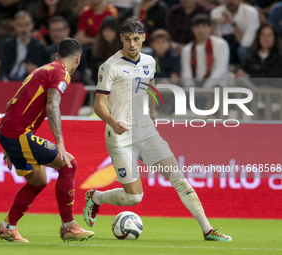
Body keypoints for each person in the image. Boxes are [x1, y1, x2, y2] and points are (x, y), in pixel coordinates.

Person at [83, 16, 232, 242]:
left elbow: (150, 83)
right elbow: (98, 105)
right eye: (127, 39)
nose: (132, 44)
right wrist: (113, 122)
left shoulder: (149, 61)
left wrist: (152, 110)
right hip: (120, 136)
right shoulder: (109, 66)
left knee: (179, 179)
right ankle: (97, 197)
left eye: (136, 39)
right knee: (134, 198)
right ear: (121, 39)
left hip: (146, 132)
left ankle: (208, 230)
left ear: (143, 37)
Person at [0, 38, 94, 243]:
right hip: (18, 133)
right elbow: (52, 104)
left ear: (57, 56)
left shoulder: (41, 70)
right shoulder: (62, 73)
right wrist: (60, 143)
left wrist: (8, 146)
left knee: (38, 180)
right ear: (77, 59)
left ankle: (7, 227)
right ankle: (68, 226)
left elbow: (9, 104)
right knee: (69, 164)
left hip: (9, 132)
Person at [181, 14, 229, 88]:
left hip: (216, 85)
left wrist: (207, 87)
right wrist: (190, 87)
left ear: (210, 28)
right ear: (192, 29)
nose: (200, 30)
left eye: (204, 26)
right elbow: (186, 73)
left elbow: (220, 69)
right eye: (197, 27)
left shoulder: (220, 44)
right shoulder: (187, 50)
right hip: (196, 86)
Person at [0, 10, 49, 81]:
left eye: (26, 25)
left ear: (32, 25)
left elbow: (44, 73)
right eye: (20, 25)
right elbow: (2, 69)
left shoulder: (38, 46)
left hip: (26, 82)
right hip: (8, 81)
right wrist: (4, 78)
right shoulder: (8, 44)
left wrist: (36, 70)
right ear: (15, 26)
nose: (23, 29)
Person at [211, 0, 259, 65]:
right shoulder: (216, 13)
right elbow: (215, 42)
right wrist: (214, 23)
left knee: (242, 51)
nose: (231, 1)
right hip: (225, 44)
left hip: (242, 47)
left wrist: (233, 23)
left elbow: (246, 43)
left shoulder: (251, 12)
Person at [90, 16, 122, 83]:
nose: (108, 33)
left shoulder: (124, 47)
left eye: (111, 30)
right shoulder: (98, 47)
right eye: (105, 30)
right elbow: (94, 71)